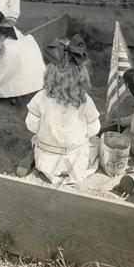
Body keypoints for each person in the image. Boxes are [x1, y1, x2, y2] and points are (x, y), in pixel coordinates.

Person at [24, 35, 101, 186]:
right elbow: (94, 130)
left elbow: (31, 126)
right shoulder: (85, 101)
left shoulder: (40, 97)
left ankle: (39, 159)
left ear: (49, 73)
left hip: (46, 161)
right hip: (75, 161)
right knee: (95, 142)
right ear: (81, 75)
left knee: (36, 138)